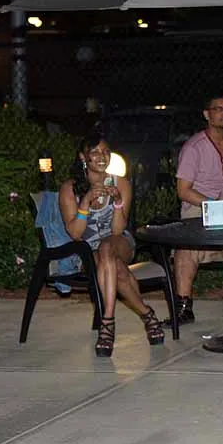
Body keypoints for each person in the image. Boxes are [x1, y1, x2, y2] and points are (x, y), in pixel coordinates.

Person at [58, 133, 164, 356]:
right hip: (88, 249)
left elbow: (117, 230)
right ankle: (147, 314)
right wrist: (85, 202)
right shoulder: (70, 189)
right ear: (82, 157)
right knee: (114, 267)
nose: (102, 156)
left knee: (107, 248)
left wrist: (117, 202)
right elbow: (76, 234)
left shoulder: (121, 183)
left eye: (106, 151)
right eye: (95, 152)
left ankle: (107, 322)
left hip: (119, 242)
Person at [169, 95, 223, 326]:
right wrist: (213, 205)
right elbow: (183, 190)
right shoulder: (194, 147)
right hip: (199, 207)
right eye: (219, 109)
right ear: (207, 114)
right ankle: (183, 307)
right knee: (185, 246)